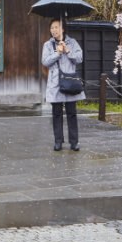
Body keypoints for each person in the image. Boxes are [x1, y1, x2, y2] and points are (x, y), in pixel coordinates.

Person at [41, 18, 84, 151]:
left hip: (70, 82)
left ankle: (74, 142)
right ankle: (58, 141)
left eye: (56, 27)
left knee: (72, 113)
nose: (54, 30)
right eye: (52, 28)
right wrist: (57, 53)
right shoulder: (48, 45)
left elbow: (79, 59)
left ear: (63, 29)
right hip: (55, 84)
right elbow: (45, 62)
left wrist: (67, 51)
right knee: (57, 113)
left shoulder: (72, 43)